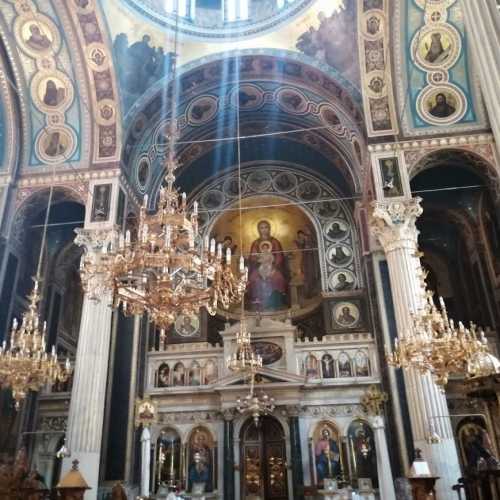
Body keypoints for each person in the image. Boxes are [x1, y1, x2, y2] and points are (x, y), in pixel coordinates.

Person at [247, 220, 289, 310]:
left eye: (266, 227)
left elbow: (279, 256)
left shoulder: (275, 242)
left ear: (269, 228)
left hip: (273, 267)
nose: (264, 230)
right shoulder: (256, 243)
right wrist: (259, 260)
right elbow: (252, 257)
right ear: (258, 230)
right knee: (253, 278)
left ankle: (275, 303)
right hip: (259, 267)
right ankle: (257, 304)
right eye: (261, 228)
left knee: (278, 278)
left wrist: (273, 263)